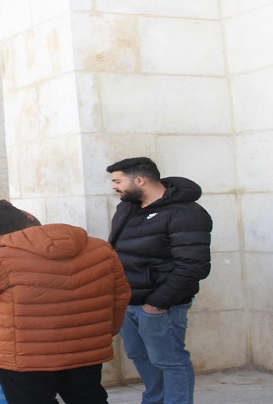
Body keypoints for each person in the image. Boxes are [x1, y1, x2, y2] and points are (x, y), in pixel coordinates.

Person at [0, 201, 131, 404]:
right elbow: (120, 295)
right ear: (29, 216)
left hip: (24, 357)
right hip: (85, 349)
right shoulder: (100, 248)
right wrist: (103, 334)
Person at [106, 157, 213, 404]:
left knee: (170, 361)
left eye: (118, 181)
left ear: (139, 180)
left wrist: (156, 304)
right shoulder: (127, 208)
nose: (114, 186)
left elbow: (194, 266)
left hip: (160, 306)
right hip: (128, 302)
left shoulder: (186, 213)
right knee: (140, 357)